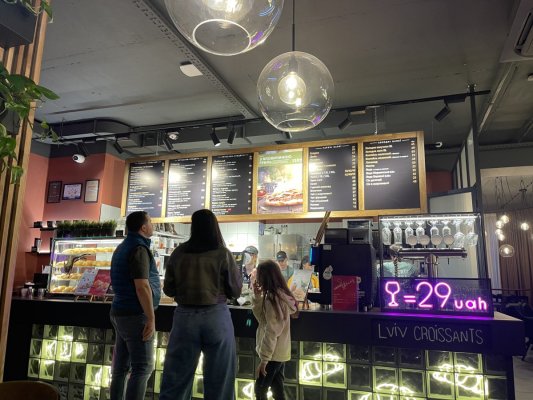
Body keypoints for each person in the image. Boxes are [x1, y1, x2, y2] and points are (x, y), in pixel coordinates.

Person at [159, 209, 242, 400]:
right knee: (220, 383)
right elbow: (235, 290)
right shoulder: (223, 253)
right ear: (214, 226)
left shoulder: (179, 252)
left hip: (185, 318)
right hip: (216, 317)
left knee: (176, 381)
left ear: (193, 226)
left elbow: (169, 289)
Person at [109, 211, 161, 400]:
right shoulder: (139, 249)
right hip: (135, 314)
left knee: (120, 368)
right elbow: (142, 286)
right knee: (143, 367)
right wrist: (151, 318)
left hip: (120, 310)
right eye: (151, 222)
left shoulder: (122, 246)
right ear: (143, 227)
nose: (153, 225)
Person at [252, 260, 298, 400]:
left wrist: (264, 359)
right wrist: (257, 297)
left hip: (272, 354)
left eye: (258, 275)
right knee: (278, 390)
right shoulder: (280, 296)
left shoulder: (272, 299)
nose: (256, 278)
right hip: (279, 352)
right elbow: (262, 319)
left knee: (260, 390)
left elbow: (271, 331)